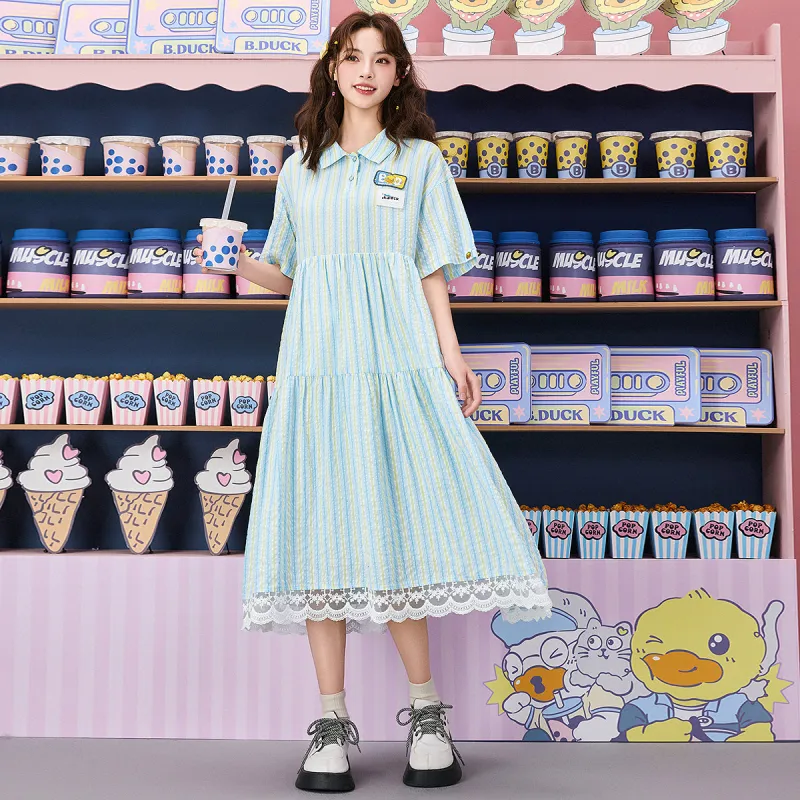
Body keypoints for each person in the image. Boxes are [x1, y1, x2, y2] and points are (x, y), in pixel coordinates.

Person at [197, 11, 551, 792]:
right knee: (319, 537)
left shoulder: (419, 161)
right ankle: (330, 724)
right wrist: (234, 261)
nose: (366, 71)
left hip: (396, 363)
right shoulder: (301, 170)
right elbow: (290, 274)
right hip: (318, 371)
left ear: (398, 75)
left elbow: (431, 268)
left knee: (397, 531)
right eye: (353, 57)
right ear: (331, 68)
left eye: (382, 59)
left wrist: (451, 356)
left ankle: (427, 717)